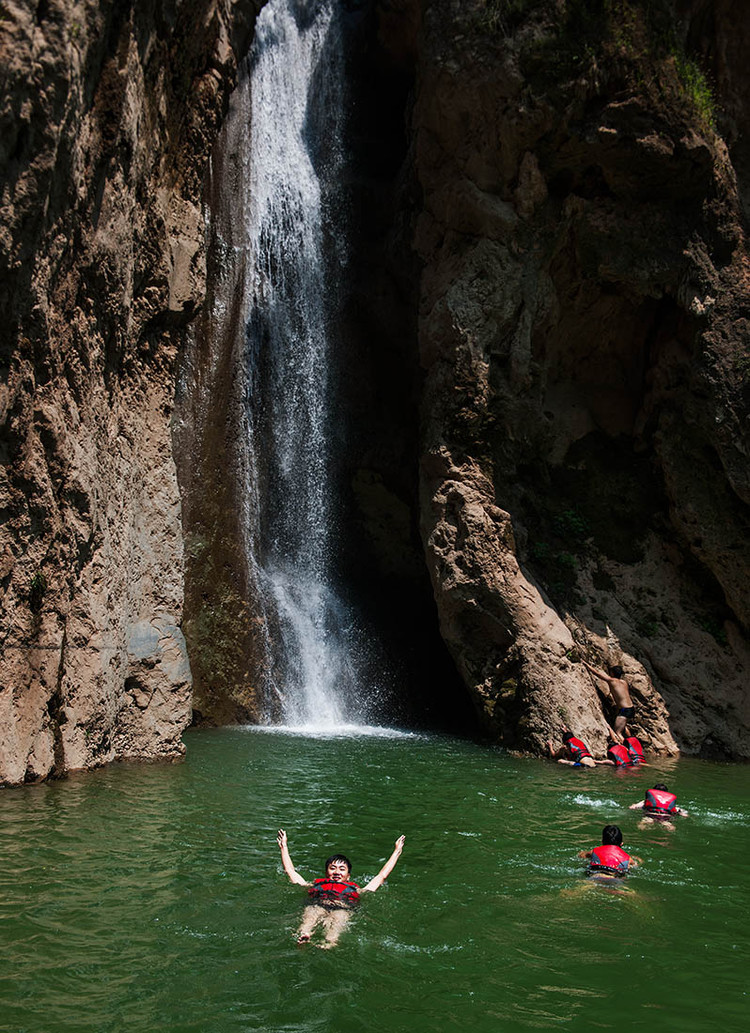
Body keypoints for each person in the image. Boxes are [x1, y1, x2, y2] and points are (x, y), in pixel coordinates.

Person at [277, 829, 405, 948]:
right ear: (326, 873)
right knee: (311, 913)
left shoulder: (356, 889)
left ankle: (330, 942)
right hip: (318, 905)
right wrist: (284, 847)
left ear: (348, 876)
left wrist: (397, 851)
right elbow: (290, 871)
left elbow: (381, 876)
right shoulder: (315, 884)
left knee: (339, 918)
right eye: (332, 868)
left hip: (342, 908)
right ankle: (304, 935)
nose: (337, 872)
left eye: (342, 869)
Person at [582, 659, 634, 739]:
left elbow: (597, 673)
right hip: (631, 708)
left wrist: (585, 664)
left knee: (617, 732)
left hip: (624, 710)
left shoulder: (611, 681)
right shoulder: (624, 682)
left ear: (612, 673)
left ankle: (629, 748)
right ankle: (631, 740)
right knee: (623, 726)